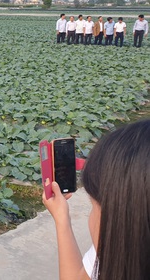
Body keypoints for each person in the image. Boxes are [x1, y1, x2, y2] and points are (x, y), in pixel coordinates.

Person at [43, 119, 150, 279]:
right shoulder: (119, 245)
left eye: (94, 206)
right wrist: (62, 219)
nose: (91, 218)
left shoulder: (113, 240)